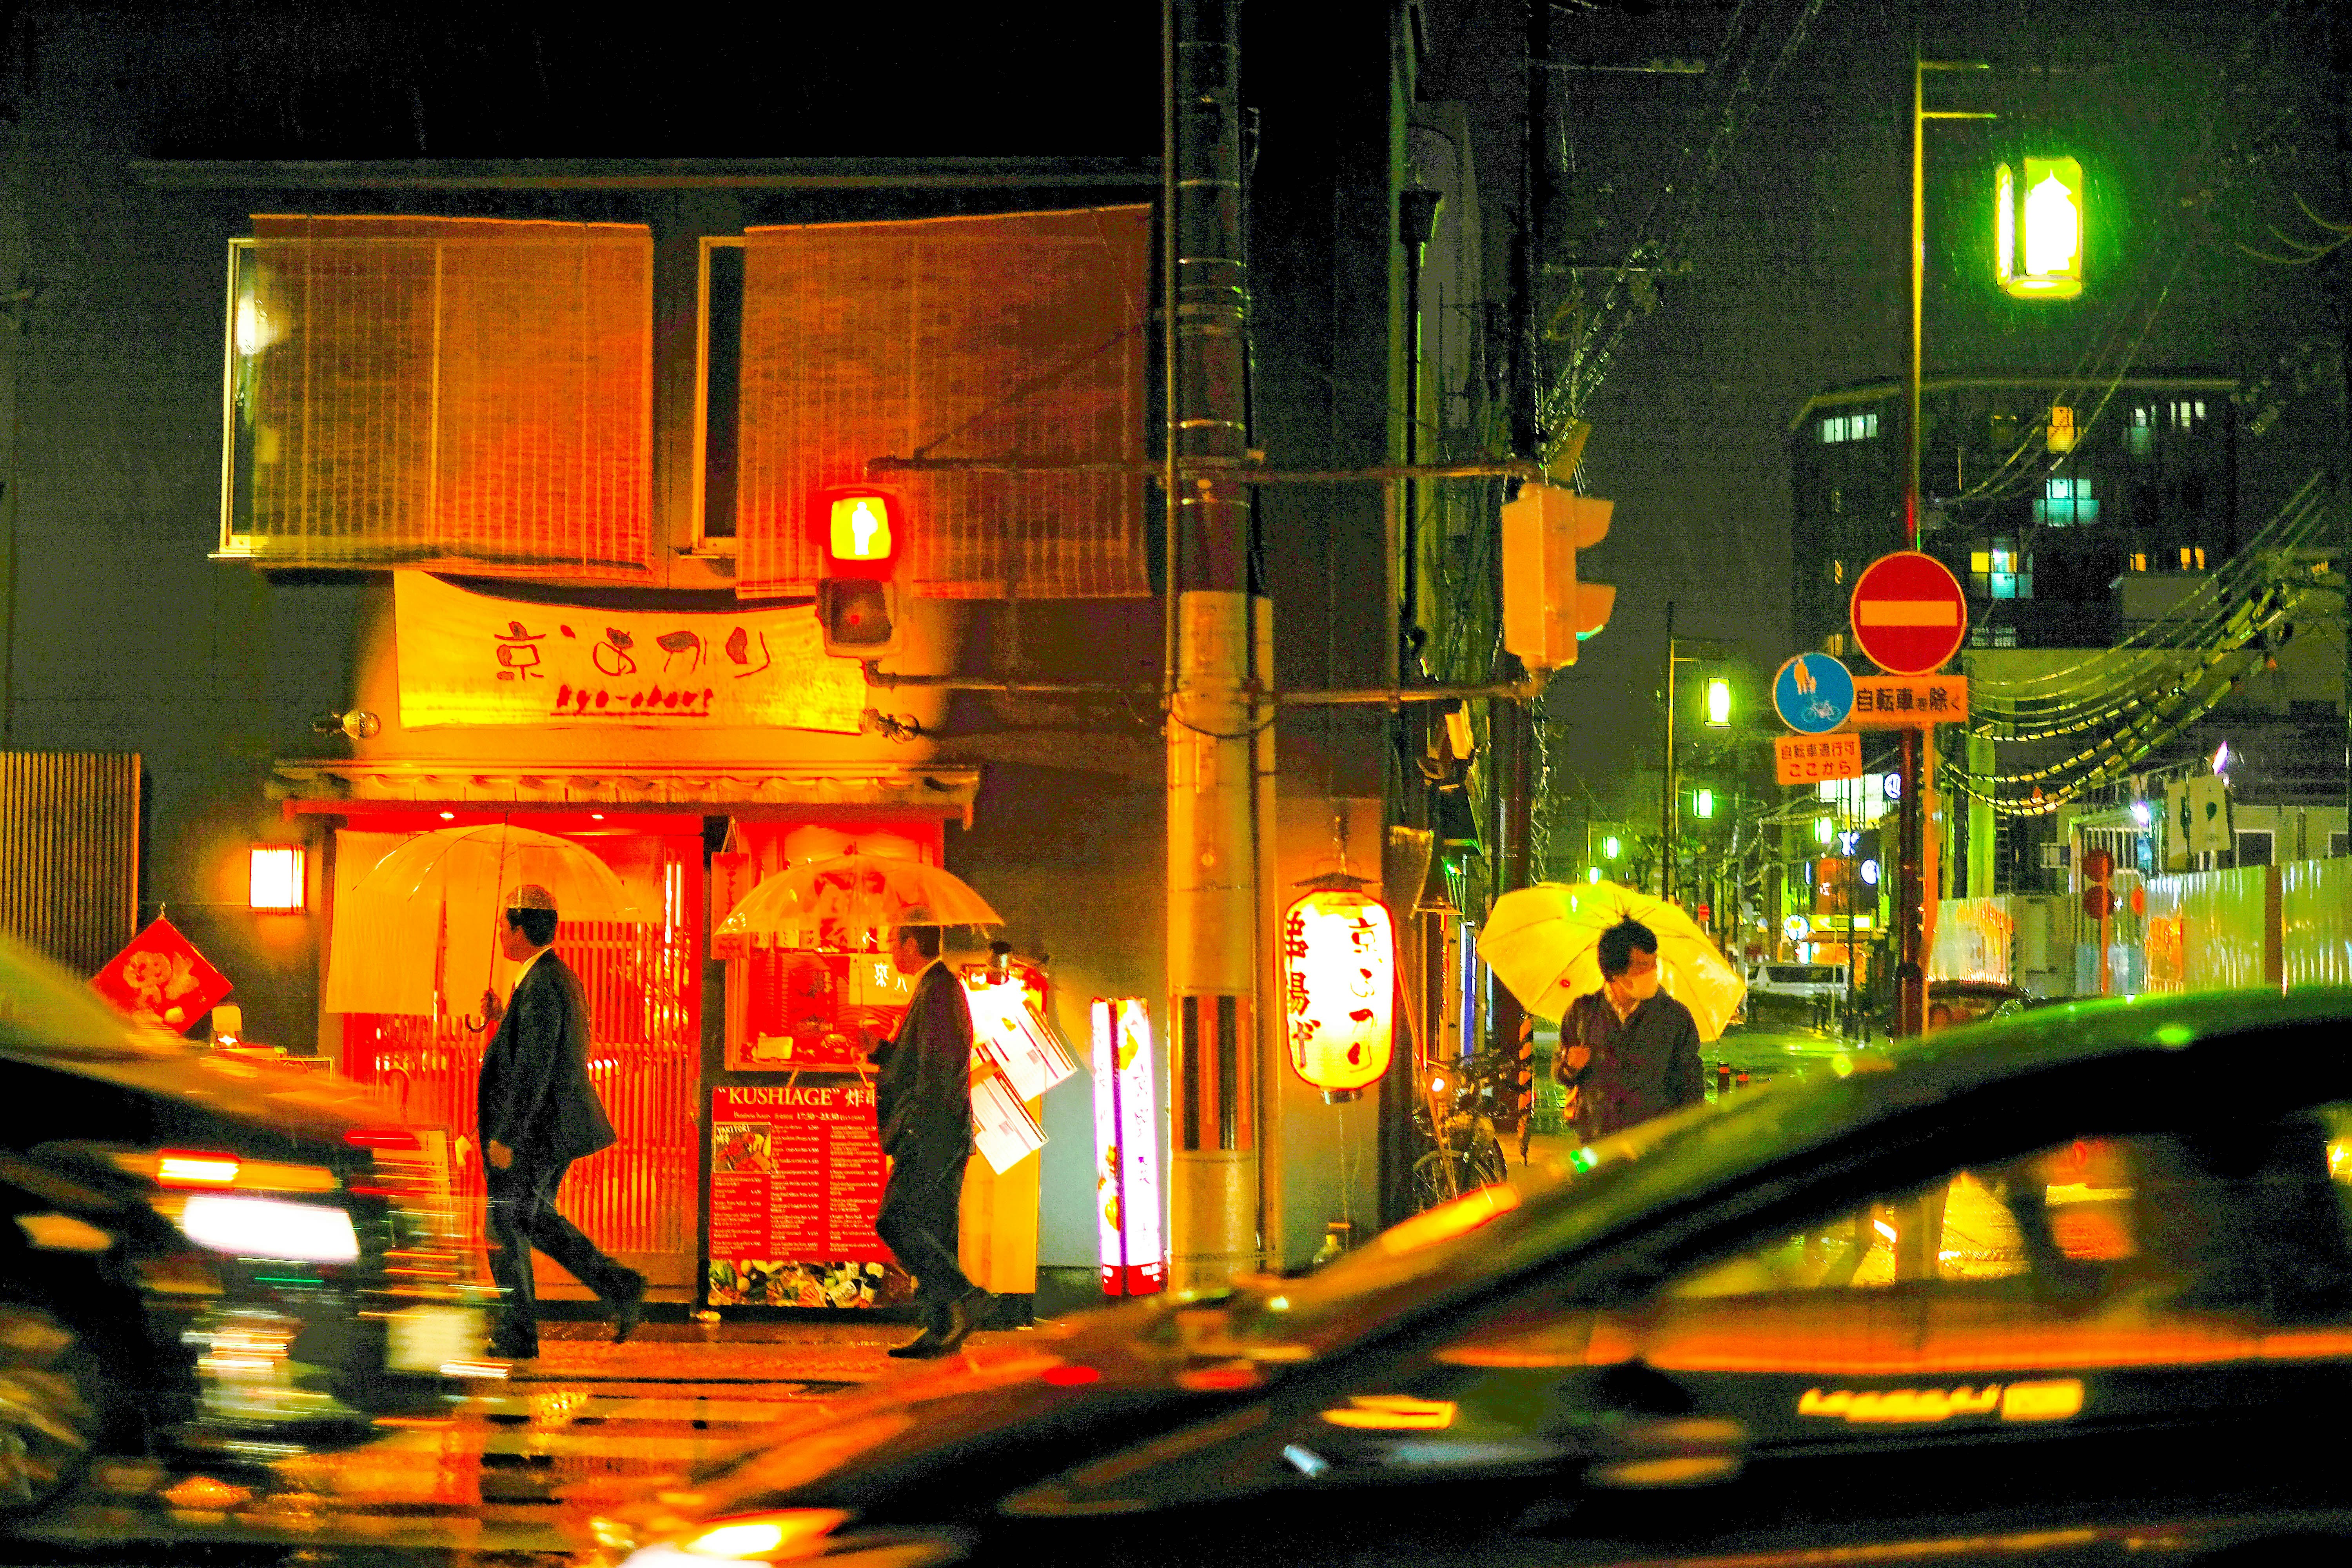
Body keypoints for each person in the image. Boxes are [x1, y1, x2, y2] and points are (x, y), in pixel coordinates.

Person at [477, 884, 646, 1359]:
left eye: (503, 927)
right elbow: (536, 1042)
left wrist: (507, 1135)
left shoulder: (543, 985)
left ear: (520, 930)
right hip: (549, 1130)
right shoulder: (552, 979)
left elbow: (535, 1064)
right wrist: (502, 1017)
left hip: (536, 1132)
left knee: (505, 1227)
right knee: (529, 1220)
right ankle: (619, 1287)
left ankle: (520, 1332)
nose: (501, 936)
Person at [869, 911, 992, 1359]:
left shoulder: (938, 989)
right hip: (942, 1131)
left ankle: (963, 1297)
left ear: (911, 944)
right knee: (933, 1227)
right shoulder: (933, 987)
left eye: (891, 941)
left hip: (932, 1132)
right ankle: (940, 1330)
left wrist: (915, 1128)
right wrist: (880, 1050)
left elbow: (938, 1067)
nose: (888, 949)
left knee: (896, 1219)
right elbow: (918, 1059)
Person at [1555, 917, 1705, 1140]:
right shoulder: (1582, 1013)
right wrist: (1570, 1066)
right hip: (1597, 1146)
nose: (1652, 971)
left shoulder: (1674, 1017)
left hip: (1655, 1149)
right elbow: (1561, 1074)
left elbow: (1690, 1088)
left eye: (1654, 962)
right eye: (1643, 965)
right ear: (1616, 972)